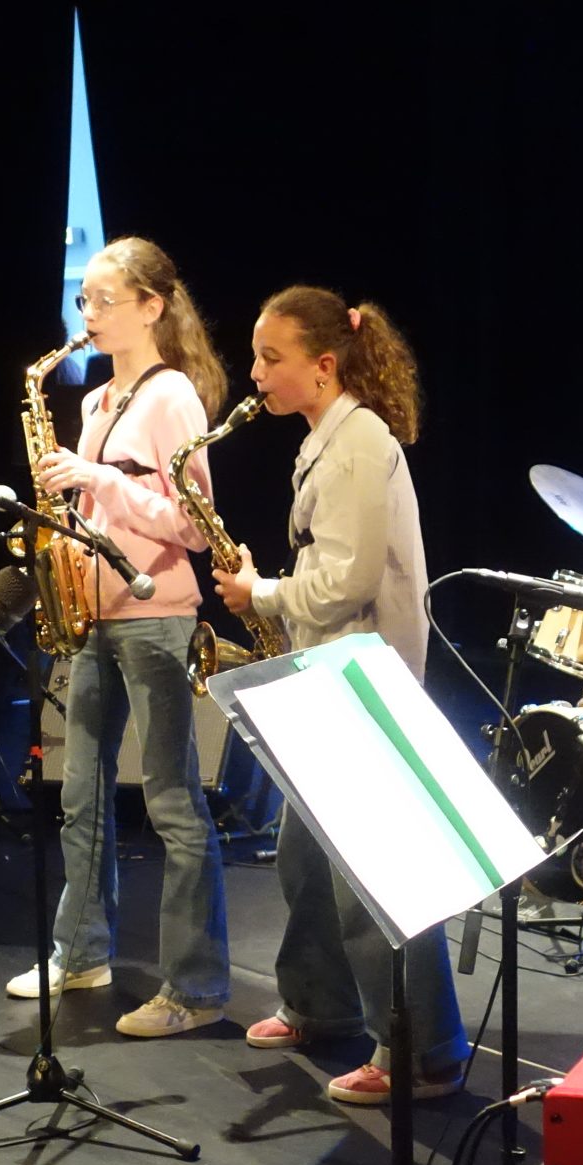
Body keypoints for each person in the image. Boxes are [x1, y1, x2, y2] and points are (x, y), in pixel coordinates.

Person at [213, 286, 470, 1105]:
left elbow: (347, 582)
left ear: (324, 366)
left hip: (362, 684)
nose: (257, 374)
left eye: (272, 358)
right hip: (328, 677)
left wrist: (263, 593)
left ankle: (425, 1052)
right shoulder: (328, 438)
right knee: (302, 859)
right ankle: (322, 1007)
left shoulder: (358, 443)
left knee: (374, 883)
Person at [9, 236, 233, 1039]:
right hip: (94, 613)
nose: (90, 314)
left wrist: (98, 478)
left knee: (172, 801)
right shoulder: (98, 400)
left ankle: (196, 987)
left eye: (105, 300)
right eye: (85, 300)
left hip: (156, 614)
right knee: (80, 793)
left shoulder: (172, 397)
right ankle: (80, 952)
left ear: (151, 306)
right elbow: (99, 509)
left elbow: (194, 528)